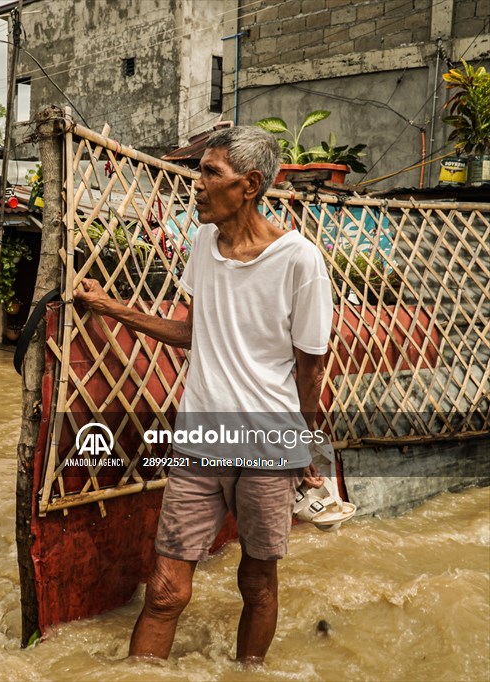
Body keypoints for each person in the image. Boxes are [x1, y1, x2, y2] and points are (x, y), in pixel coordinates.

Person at [73, 125, 333, 663]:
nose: (196, 184)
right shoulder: (203, 245)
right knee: (165, 590)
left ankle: (248, 672)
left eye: (211, 173)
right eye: (200, 172)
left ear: (250, 185)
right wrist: (110, 307)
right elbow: (193, 331)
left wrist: (308, 445)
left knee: (257, 583)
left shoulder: (300, 261)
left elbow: (311, 368)